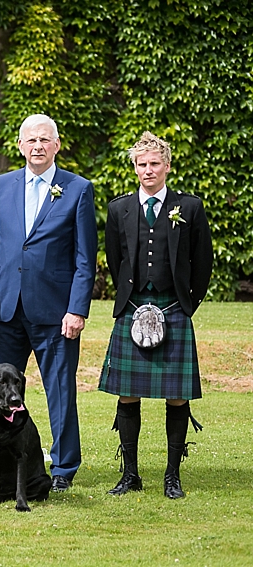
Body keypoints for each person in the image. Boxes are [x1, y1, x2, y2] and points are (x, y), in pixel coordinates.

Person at [0, 113, 98, 492]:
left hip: (55, 313)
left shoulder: (77, 189)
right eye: (31, 140)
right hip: (6, 309)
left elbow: (85, 257)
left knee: (61, 392)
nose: (37, 147)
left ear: (57, 145)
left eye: (44, 140)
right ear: (20, 145)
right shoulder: (1, 185)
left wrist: (77, 308)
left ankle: (64, 468)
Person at [99, 131, 213, 499]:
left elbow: (203, 261)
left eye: (154, 163)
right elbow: (115, 260)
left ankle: (172, 476)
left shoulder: (189, 207)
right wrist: (131, 300)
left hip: (174, 308)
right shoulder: (120, 208)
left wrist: (187, 304)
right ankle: (130, 474)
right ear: (134, 167)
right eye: (141, 164)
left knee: (177, 396)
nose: (147, 170)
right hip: (133, 309)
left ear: (166, 165)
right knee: (128, 394)